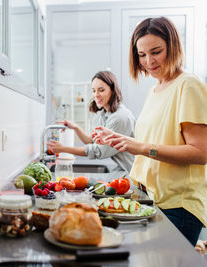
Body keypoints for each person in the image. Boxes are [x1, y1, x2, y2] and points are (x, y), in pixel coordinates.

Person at [92, 17, 207, 246]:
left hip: (177, 207)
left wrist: (142, 148)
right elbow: (158, 140)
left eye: (156, 52)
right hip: (151, 199)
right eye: (141, 55)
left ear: (173, 46)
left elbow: (201, 152)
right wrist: (121, 139)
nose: (148, 61)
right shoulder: (155, 90)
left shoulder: (189, 85)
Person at [47, 71, 136, 173]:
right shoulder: (103, 113)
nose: (96, 95)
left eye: (101, 90)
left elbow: (99, 151)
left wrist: (64, 149)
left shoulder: (120, 118)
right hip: (125, 169)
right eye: (94, 91)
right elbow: (92, 141)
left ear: (113, 90)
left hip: (135, 172)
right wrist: (76, 127)